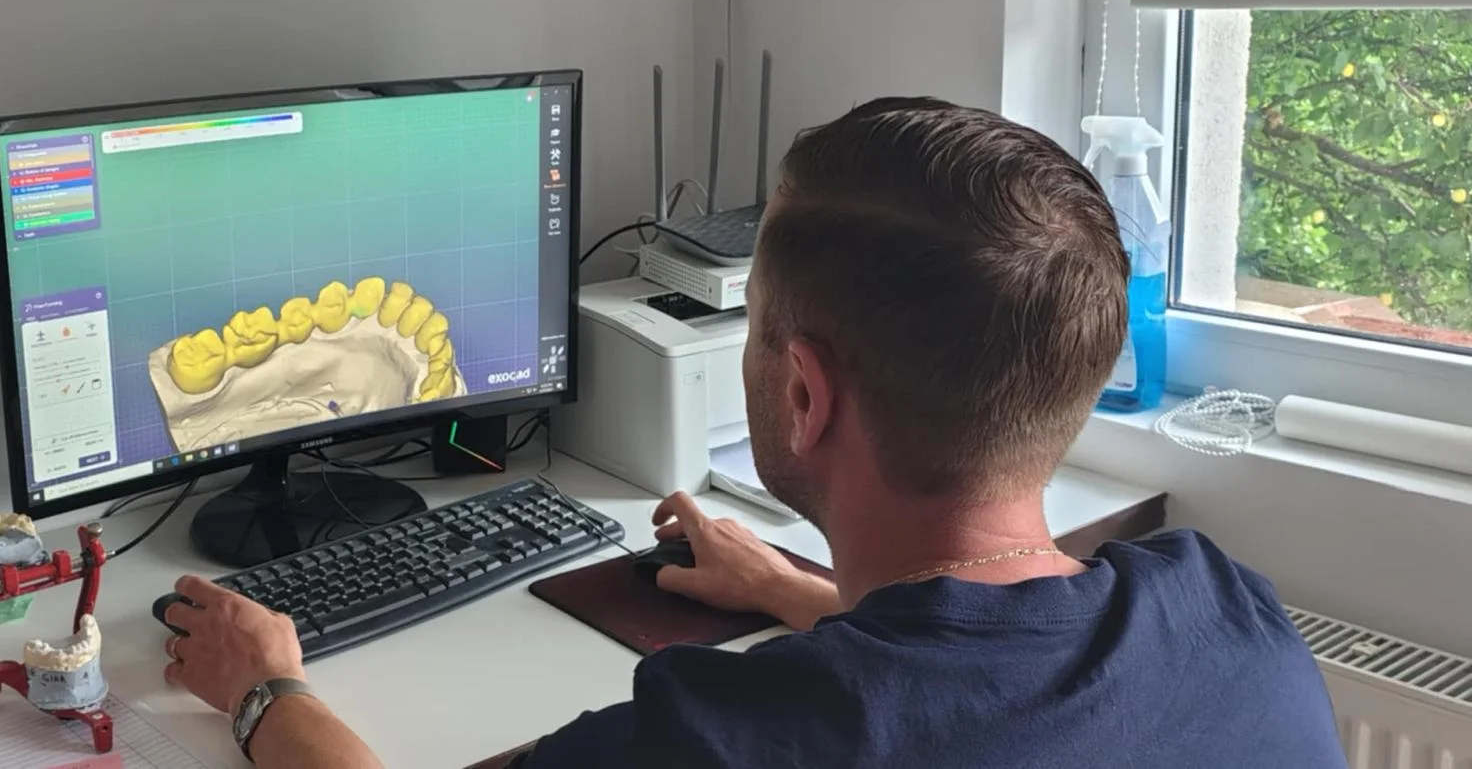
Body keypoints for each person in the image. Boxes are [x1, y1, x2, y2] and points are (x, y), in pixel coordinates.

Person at [161, 99, 1347, 768]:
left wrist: (265, 692)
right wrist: (798, 592)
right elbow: (981, 678)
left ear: (803, 396)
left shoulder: (735, 738)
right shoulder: (1228, 616)